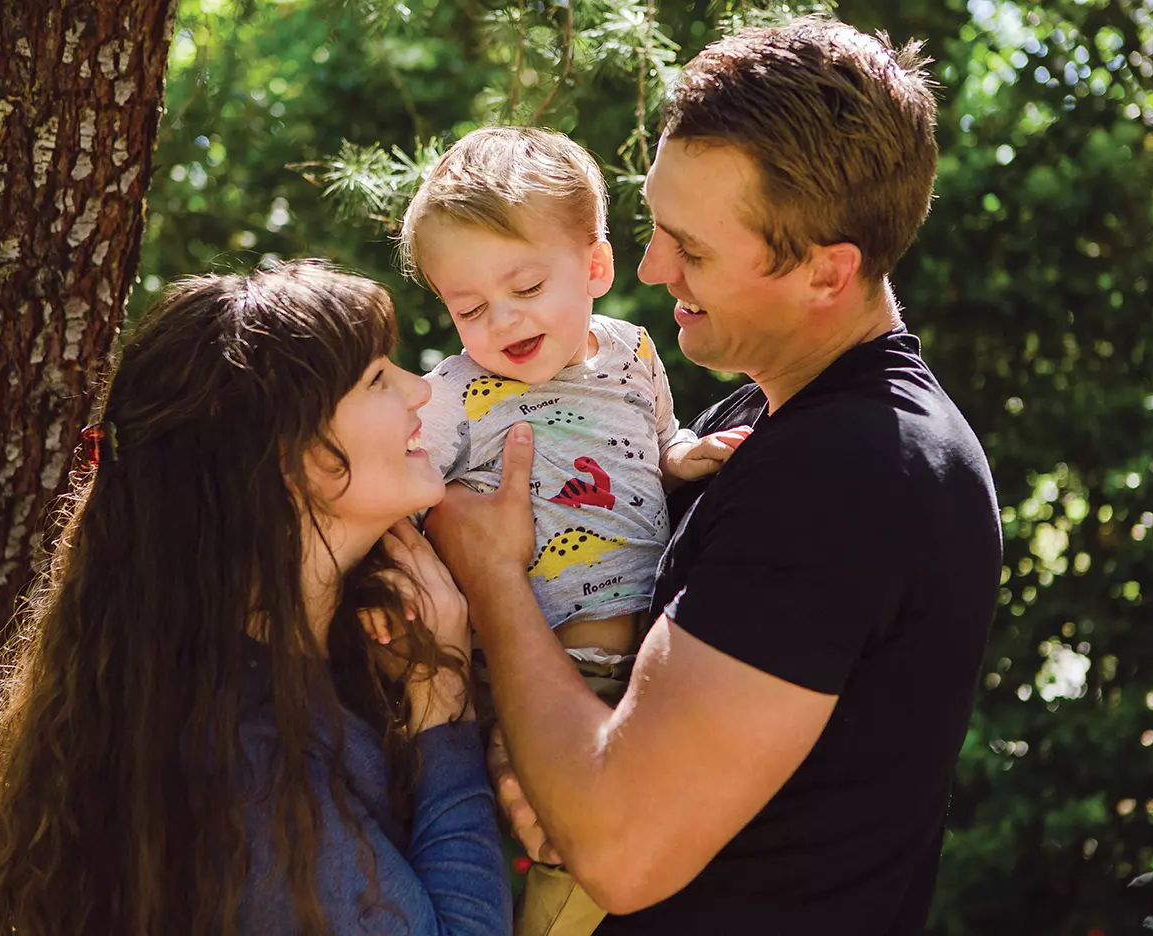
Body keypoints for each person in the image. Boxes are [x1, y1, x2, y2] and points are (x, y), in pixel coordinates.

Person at [424, 16, 1003, 936]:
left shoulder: (856, 472)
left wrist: (491, 574)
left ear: (827, 272)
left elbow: (620, 845)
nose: (651, 269)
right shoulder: (756, 425)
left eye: (689, 247)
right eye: (654, 226)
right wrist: (526, 742)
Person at [0, 262, 512, 936]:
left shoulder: (346, 640)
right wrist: (443, 715)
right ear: (289, 458)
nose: (421, 389)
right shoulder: (246, 761)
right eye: (376, 379)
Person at [398, 127, 749, 935]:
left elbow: (647, 446)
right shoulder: (455, 394)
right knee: (555, 871)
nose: (502, 320)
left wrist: (686, 454)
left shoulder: (633, 354)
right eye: (470, 308)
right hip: (535, 676)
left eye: (525, 286)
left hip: (650, 673)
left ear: (594, 268)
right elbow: (413, 495)